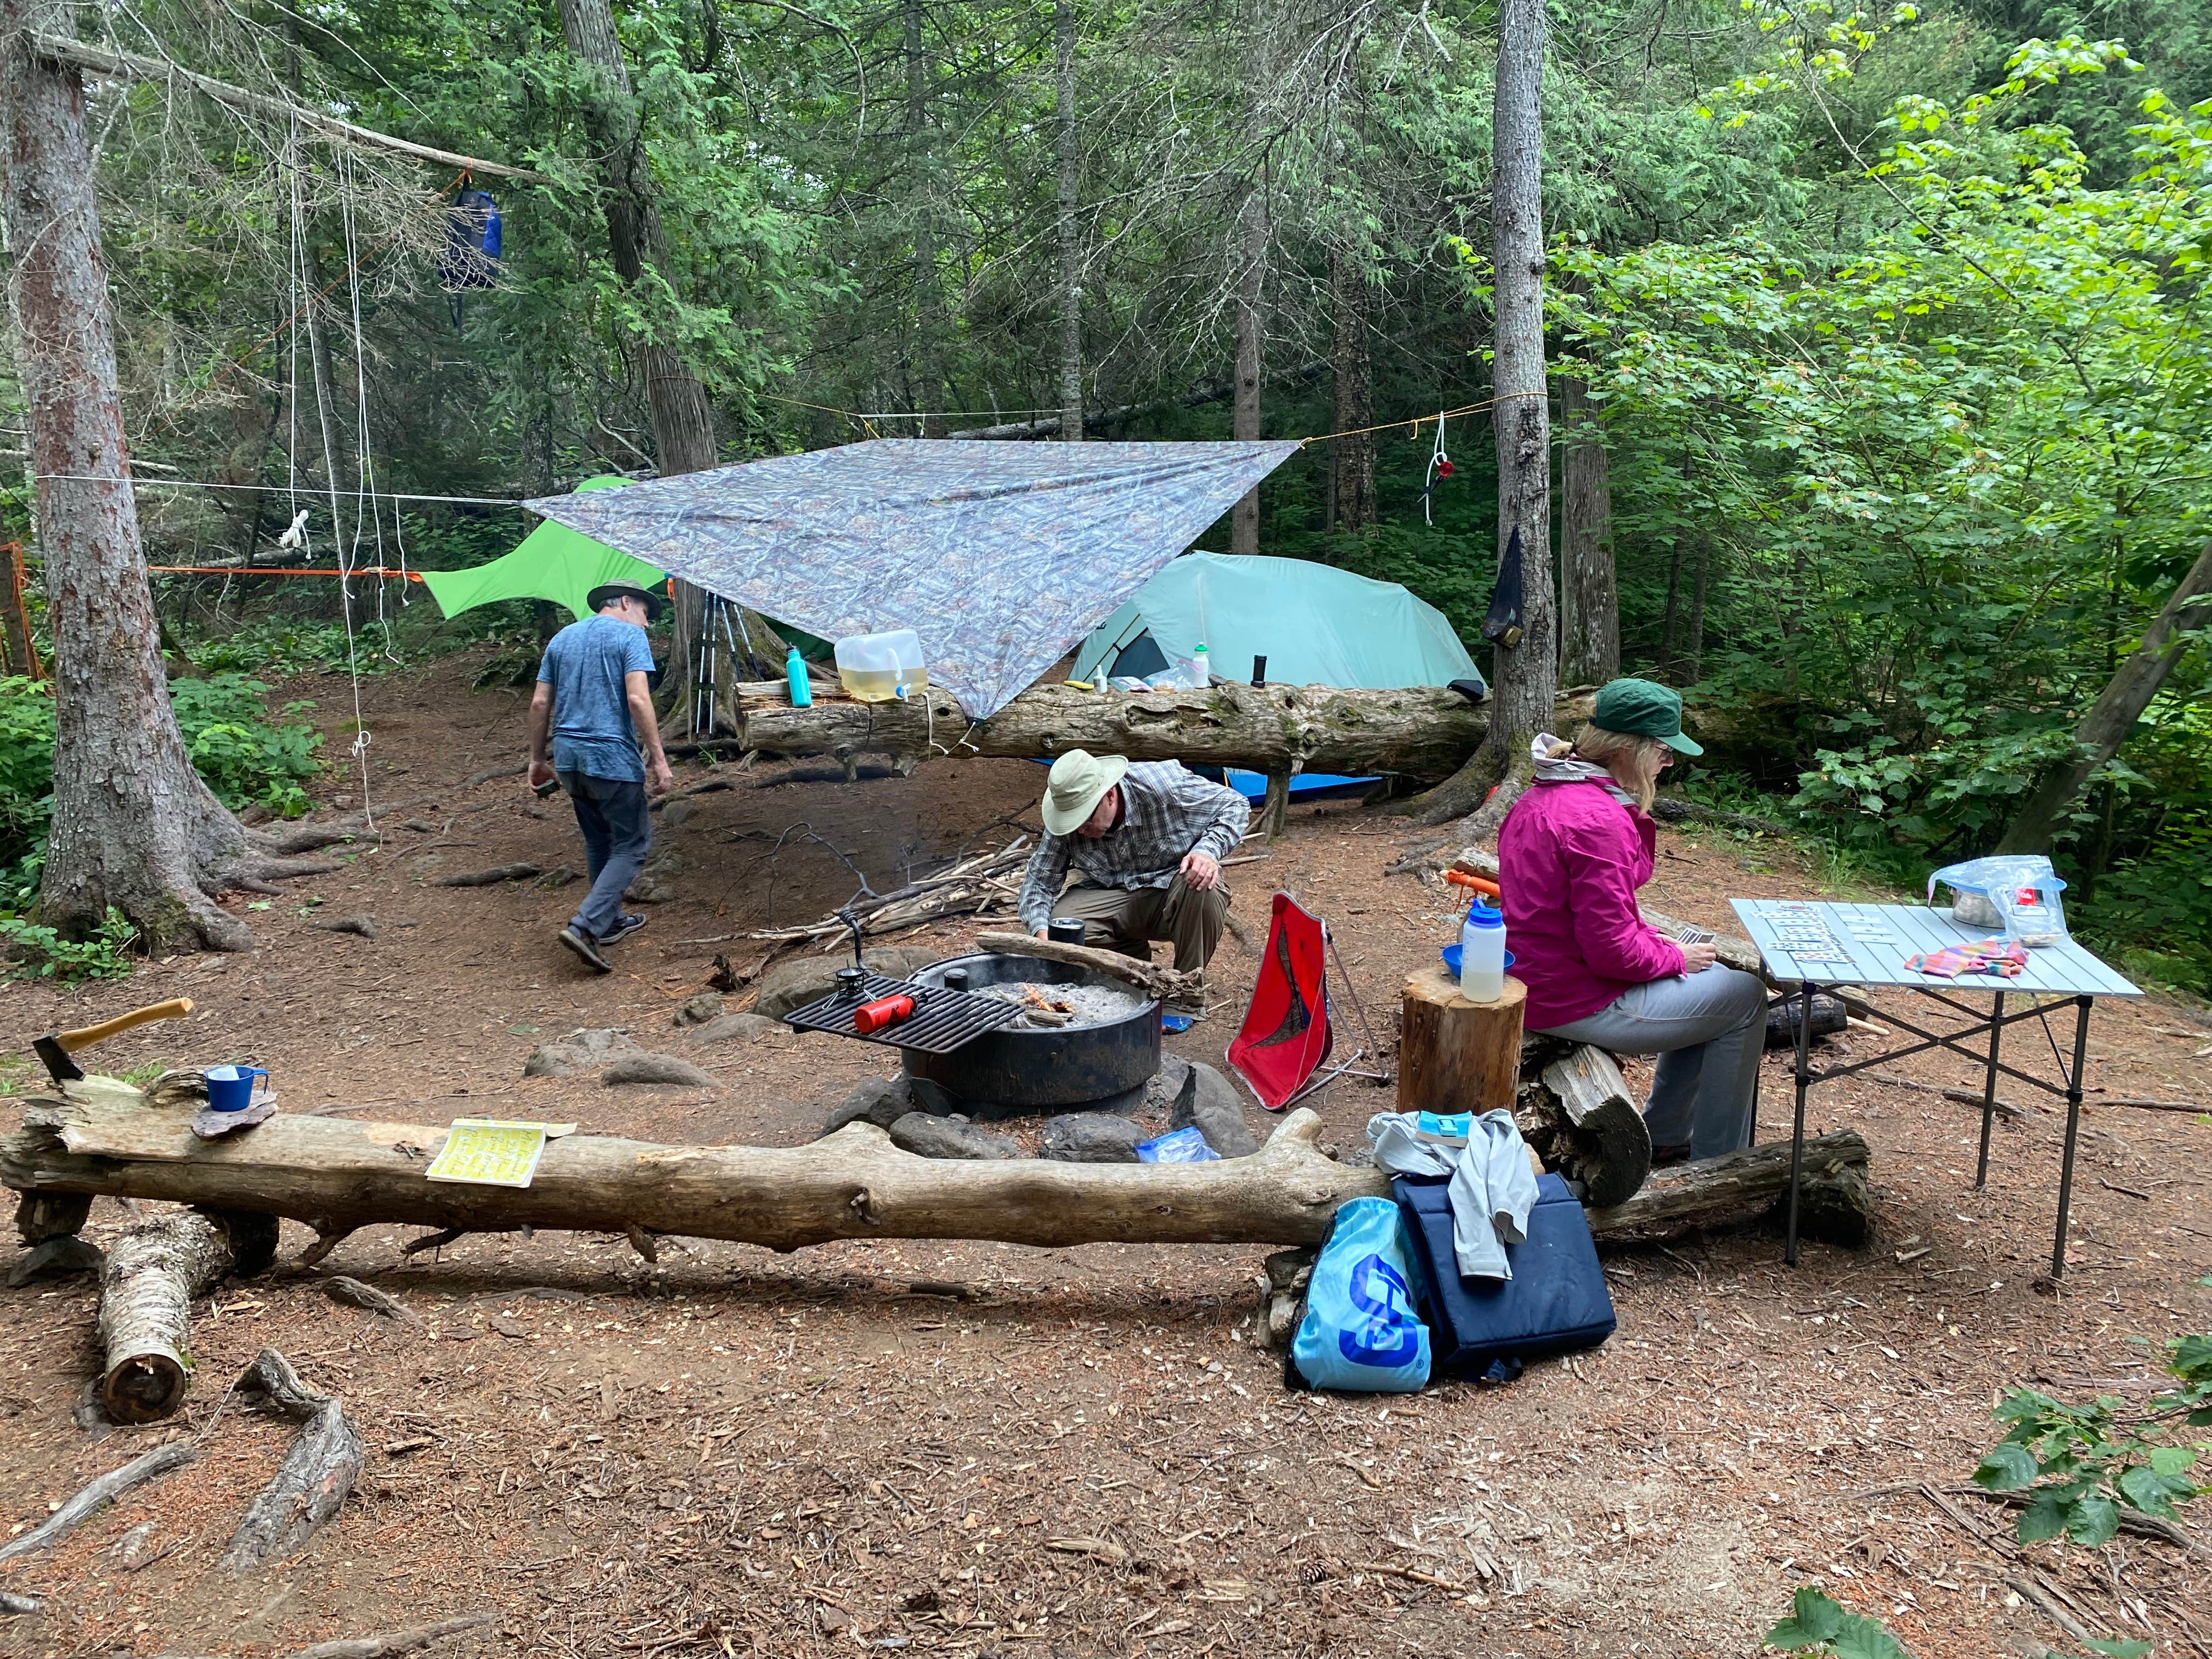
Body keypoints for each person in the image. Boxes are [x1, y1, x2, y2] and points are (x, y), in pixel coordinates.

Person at [1498, 678, 1766, 1165]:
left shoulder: (1547, 793)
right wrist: (1671, 956)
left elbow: (1581, 913)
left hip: (1539, 975)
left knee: (1718, 984)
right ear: (1631, 750)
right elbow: (1611, 951)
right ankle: (1722, 1162)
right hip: (1572, 997)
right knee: (1745, 997)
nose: (1669, 765)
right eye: (1665, 753)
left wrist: (1654, 942)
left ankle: (1665, 1132)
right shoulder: (1598, 820)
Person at [527, 579, 676, 973]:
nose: (646, 625)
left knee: (599, 839)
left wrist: (537, 758)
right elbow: (637, 698)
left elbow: (541, 701)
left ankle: (609, 922)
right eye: (645, 614)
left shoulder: (562, 638)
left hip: (570, 758)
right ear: (627, 603)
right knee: (633, 843)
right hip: (610, 757)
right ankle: (585, 926)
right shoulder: (629, 638)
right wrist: (659, 760)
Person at [1016, 749, 1250, 977]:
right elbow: (1039, 883)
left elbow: (1235, 805)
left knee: (1204, 887)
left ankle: (1184, 993)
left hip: (1171, 896)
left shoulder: (1165, 786)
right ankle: (1133, 971)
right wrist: (1044, 938)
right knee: (1064, 925)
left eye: (1085, 819)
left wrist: (1207, 851)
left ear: (1109, 795)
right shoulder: (1066, 820)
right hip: (1112, 897)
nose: (1079, 829)